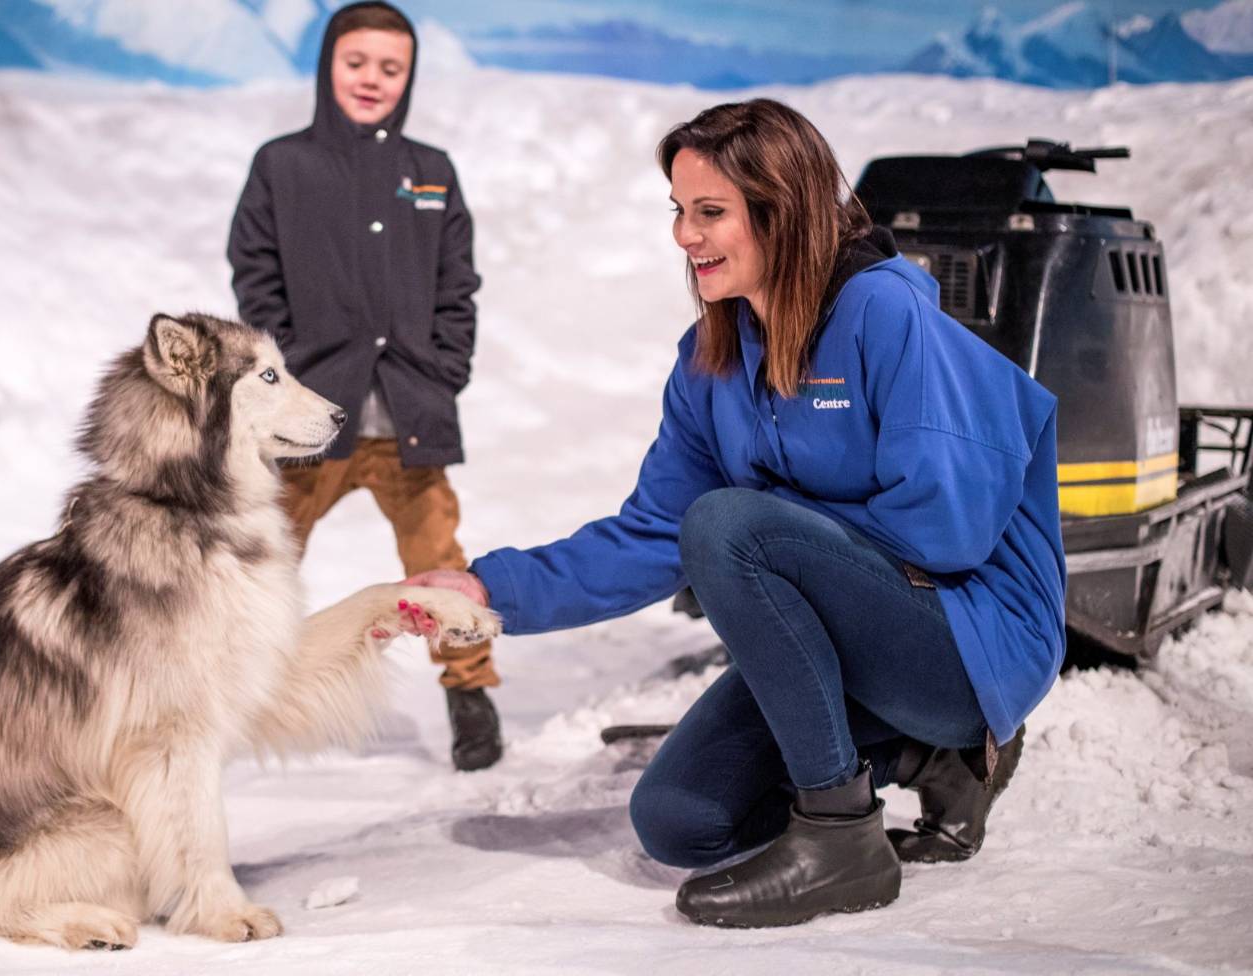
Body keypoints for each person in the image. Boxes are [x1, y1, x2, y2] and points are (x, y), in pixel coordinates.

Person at [408, 99, 1066, 926]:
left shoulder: (883, 313)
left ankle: (840, 838)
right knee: (679, 821)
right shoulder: (710, 357)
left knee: (728, 525)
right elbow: (656, 532)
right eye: (679, 210)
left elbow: (947, 529)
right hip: (858, 637)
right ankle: (931, 760)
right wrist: (487, 590)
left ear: (781, 212)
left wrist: (767, 524)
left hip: (970, 641)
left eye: (710, 212)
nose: (685, 236)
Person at [228, 1, 501, 771]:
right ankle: (238, 691)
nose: (372, 79)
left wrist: (446, 367)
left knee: (440, 557)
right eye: (357, 64)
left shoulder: (431, 171)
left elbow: (458, 284)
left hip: (408, 420)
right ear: (328, 68)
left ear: (409, 77)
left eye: (391, 67)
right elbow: (254, 274)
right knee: (265, 559)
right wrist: (290, 375)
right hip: (310, 423)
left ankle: (470, 691)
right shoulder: (283, 165)